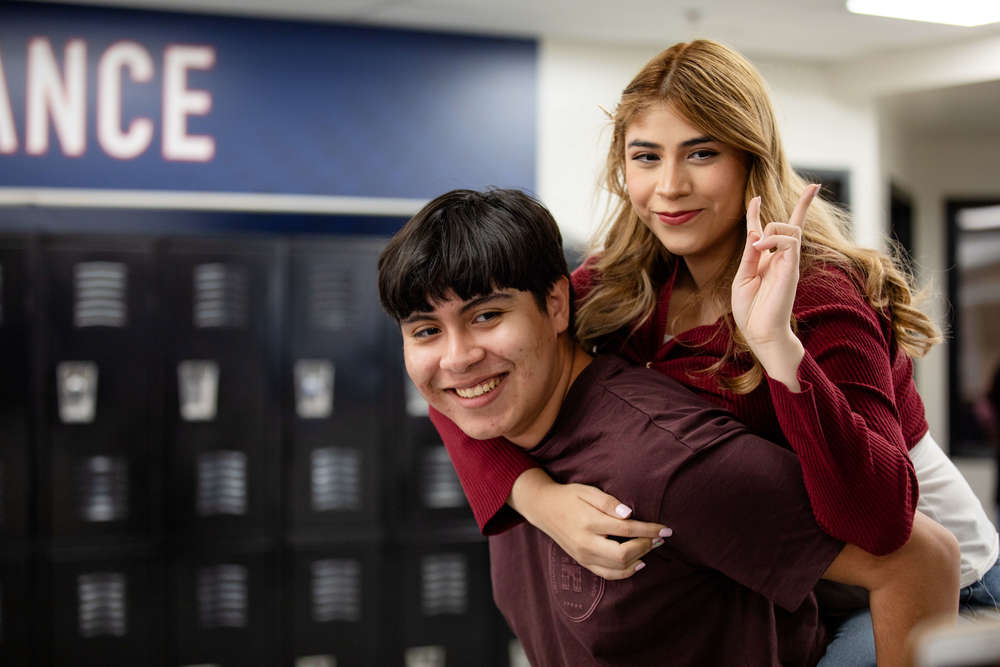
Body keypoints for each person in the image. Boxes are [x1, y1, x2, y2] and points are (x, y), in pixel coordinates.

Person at [428, 39, 1000, 665]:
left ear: (750, 160)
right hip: (809, 576)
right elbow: (467, 378)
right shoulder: (626, 281)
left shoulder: (818, 295)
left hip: (935, 581)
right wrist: (538, 498)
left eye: (702, 153)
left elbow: (885, 524)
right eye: (647, 157)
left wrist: (779, 349)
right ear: (624, 170)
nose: (670, 187)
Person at [376, 187, 960, 666]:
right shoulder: (499, 427)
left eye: (487, 316)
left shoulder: (669, 461)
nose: (457, 358)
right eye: (426, 330)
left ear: (557, 306)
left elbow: (920, 559)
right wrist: (537, 496)